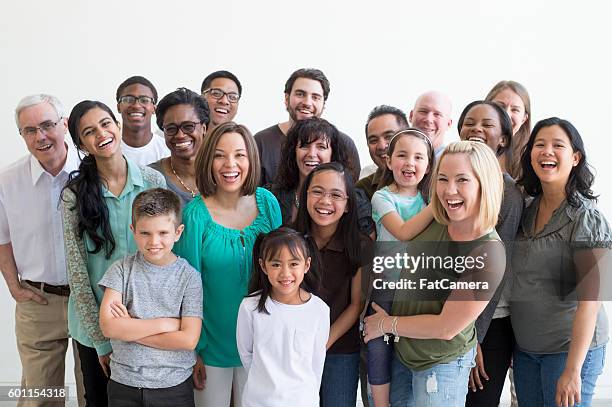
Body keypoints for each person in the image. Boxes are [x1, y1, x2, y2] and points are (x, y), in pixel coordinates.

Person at [364, 141, 506, 407]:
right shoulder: (436, 219)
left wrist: (385, 324)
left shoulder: (489, 252)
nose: (448, 190)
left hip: (442, 364)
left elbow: (446, 327)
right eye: (442, 179)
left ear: (484, 183)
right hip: (403, 352)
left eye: (462, 179)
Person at [62, 100, 166, 406]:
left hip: (145, 322)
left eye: (106, 124)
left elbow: (162, 256)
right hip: (95, 328)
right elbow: (78, 273)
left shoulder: (152, 182)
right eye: (89, 131)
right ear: (82, 144)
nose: (102, 134)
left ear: (117, 126)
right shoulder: (74, 195)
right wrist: (101, 342)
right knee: (100, 400)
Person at [173, 122, 282, 407]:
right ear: (209, 160)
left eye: (239, 155)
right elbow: (186, 288)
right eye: (220, 155)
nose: (230, 164)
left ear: (251, 159)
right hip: (211, 347)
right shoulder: (195, 215)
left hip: (261, 345)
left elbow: (284, 276)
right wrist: (194, 351)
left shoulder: (268, 203)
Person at [511, 118, 610, 407]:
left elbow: (589, 303)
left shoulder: (587, 219)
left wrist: (572, 370)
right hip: (526, 351)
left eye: (558, 145)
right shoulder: (525, 209)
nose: (547, 152)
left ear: (575, 157)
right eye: (539, 145)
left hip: (569, 352)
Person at [0, 94, 84, 407]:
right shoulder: (7, 181)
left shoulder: (93, 171)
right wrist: (13, 285)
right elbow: (2, 238)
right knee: (40, 395)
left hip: (87, 300)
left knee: (94, 390)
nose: (41, 136)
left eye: (47, 125)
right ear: (22, 135)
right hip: (38, 301)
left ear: (64, 125)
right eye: (30, 130)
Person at [98, 188, 202, 406]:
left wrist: (129, 329)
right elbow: (109, 328)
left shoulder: (189, 277)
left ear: (178, 232)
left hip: (173, 386)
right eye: (145, 233)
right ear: (133, 231)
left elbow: (188, 339)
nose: (154, 241)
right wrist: (167, 323)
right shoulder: (121, 270)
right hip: (124, 384)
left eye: (163, 233)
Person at [457, 100, 524, 406]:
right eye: (470, 122)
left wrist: (474, 340)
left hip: (488, 326)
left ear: (504, 139)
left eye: (487, 125)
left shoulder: (508, 192)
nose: (476, 129)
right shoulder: (448, 182)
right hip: (446, 320)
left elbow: (496, 272)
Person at [367, 128, 434, 406]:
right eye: (403, 155)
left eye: (419, 157)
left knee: (409, 352)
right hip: (387, 288)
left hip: (417, 291)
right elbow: (404, 231)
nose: (410, 163)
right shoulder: (382, 197)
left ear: (428, 165)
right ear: (389, 161)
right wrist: (436, 206)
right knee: (378, 348)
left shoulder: (429, 198)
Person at [293, 162, 369, 407]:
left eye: (336, 195)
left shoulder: (361, 245)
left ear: (347, 205)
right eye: (317, 191)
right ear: (305, 196)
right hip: (294, 347)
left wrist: (322, 343)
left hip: (340, 349)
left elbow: (356, 305)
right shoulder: (288, 239)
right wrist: (304, 346)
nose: (325, 201)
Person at [236, 227, 329, 407]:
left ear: (306, 265)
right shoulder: (250, 307)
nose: (285, 273)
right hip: (259, 402)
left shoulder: (319, 310)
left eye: (294, 264)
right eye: (276, 264)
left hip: (302, 401)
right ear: (263, 266)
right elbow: (246, 354)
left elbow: (317, 362)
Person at [269, 117, 374, 237]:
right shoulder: (273, 196)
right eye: (304, 146)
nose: (312, 154)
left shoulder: (356, 200)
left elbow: (369, 250)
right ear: (293, 152)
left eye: (321, 147)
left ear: (333, 154)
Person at [254, 68, 361, 185]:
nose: (307, 102)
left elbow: (351, 194)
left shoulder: (343, 143)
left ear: (323, 104)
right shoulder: (261, 142)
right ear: (286, 99)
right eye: (300, 94)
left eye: (315, 97)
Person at [150, 88, 210, 207]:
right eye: (171, 128)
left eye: (188, 126)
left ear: (204, 128)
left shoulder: (221, 173)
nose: (180, 135)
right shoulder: (150, 178)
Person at [356, 105, 409, 200]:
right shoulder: (362, 189)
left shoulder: (431, 181)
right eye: (373, 140)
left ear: (409, 136)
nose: (381, 146)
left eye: (389, 137)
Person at [116, 76, 170, 165]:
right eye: (129, 100)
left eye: (144, 100)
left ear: (154, 108)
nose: (136, 105)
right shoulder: (108, 150)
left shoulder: (168, 150)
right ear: (118, 107)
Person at [485, 80, 531, 179]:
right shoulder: (465, 151)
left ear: (524, 119)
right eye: (500, 106)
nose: (506, 114)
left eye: (515, 109)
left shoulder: (530, 160)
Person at [408, 91, 453, 159]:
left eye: (437, 114)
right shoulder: (393, 157)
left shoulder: (452, 161)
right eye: (423, 111)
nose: (428, 119)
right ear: (411, 116)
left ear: (448, 124)